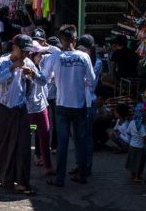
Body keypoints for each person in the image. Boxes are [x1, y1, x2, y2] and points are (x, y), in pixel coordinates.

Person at [40, 25, 95, 186]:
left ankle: (59, 179)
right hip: (79, 106)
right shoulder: (84, 57)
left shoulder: (54, 58)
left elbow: (45, 79)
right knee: (81, 142)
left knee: (62, 144)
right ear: (75, 39)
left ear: (61, 40)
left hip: (62, 106)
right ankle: (82, 175)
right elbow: (91, 81)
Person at [0, 35, 40, 195]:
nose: (25, 54)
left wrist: (32, 73)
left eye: (27, 52)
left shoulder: (29, 63)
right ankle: (3, 176)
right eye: (23, 51)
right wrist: (12, 67)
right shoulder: (1, 62)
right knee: (1, 145)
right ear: (14, 48)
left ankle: (23, 182)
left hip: (20, 109)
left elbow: (43, 81)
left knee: (23, 145)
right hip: (3, 109)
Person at [77, 34, 103, 178]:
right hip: (78, 102)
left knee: (86, 137)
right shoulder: (81, 59)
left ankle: (87, 166)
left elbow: (89, 82)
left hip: (88, 103)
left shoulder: (97, 62)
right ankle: (79, 164)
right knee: (77, 137)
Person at [28, 42, 54, 177]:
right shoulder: (25, 66)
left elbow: (56, 51)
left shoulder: (41, 66)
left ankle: (47, 166)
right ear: (33, 55)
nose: (42, 56)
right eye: (40, 54)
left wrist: (47, 47)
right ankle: (25, 164)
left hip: (42, 108)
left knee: (44, 135)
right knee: (30, 133)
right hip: (29, 112)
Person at [124, 104, 146, 183]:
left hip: (132, 146)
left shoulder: (131, 122)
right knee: (138, 163)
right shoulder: (141, 126)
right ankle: (137, 177)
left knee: (132, 162)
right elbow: (144, 137)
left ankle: (132, 175)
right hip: (139, 147)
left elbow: (128, 132)